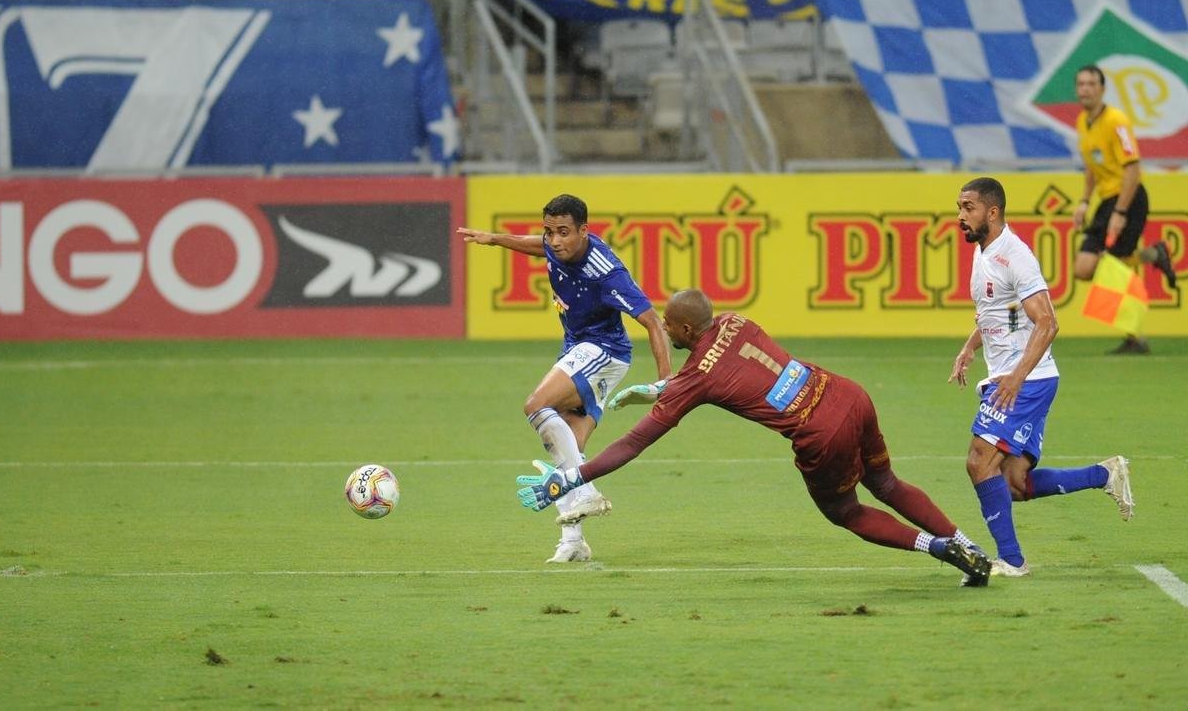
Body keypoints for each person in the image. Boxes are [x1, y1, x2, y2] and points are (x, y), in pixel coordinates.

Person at [516, 288, 994, 586]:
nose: (661, 328)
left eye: (667, 324)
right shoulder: (734, 320)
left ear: (684, 328)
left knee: (845, 511)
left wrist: (571, 478)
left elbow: (632, 444)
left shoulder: (695, 377)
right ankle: (965, 544)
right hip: (846, 394)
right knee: (886, 483)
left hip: (818, 432)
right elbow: (732, 367)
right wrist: (658, 389)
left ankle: (936, 548)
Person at [458, 194, 672, 563]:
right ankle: (573, 541)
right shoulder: (554, 245)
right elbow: (538, 246)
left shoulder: (606, 271)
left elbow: (653, 321)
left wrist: (666, 382)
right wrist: (495, 239)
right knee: (568, 448)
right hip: (578, 348)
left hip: (603, 351)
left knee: (535, 405)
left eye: (563, 233)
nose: (554, 241)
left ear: (584, 232)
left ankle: (586, 488)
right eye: (549, 231)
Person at [950, 176, 1134, 584]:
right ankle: (1105, 474)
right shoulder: (984, 253)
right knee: (1014, 483)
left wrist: (1016, 378)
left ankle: (1011, 560)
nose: (960, 216)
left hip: (1025, 381)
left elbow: (1047, 322)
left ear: (992, 212)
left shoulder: (1015, 255)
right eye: (959, 208)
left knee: (979, 462)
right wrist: (969, 347)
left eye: (968, 208)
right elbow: (998, 313)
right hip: (1014, 378)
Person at [1073, 64, 1177, 354]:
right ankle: (1155, 254)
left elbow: (1133, 170)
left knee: (1115, 265)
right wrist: (1084, 201)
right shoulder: (1083, 122)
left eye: (1091, 84)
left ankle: (1135, 337)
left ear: (1102, 89)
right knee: (1084, 268)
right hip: (1106, 201)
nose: (1085, 89)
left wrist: (1120, 212)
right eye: (1081, 84)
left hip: (1128, 199)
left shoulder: (1116, 121)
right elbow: (1092, 168)